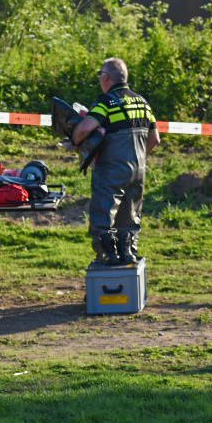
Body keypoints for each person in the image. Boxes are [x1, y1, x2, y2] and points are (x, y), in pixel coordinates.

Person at [71, 57, 160, 268]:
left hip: (112, 168)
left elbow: (84, 130)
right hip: (139, 168)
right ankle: (128, 254)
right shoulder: (142, 102)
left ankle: (108, 257)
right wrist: (138, 156)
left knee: (103, 214)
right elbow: (155, 139)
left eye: (100, 75)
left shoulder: (106, 102)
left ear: (106, 77)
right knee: (130, 216)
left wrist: (75, 138)